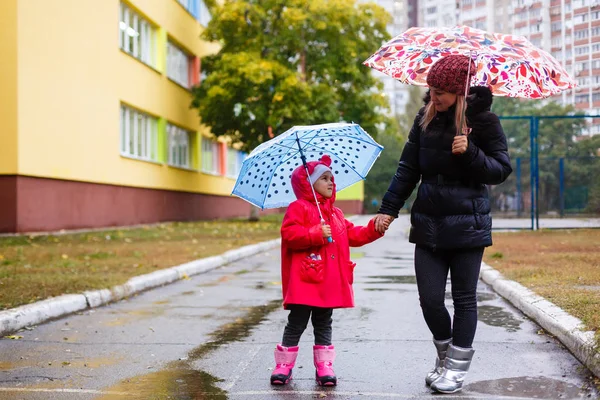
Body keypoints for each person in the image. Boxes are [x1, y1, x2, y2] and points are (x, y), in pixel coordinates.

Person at [373, 55, 513, 394]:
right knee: (430, 300)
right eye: (432, 90)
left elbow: (500, 170)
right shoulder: (425, 119)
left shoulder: (485, 122)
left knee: (464, 299)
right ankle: (444, 356)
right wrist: (388, 209)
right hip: (429, 221)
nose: (434, 97)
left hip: (468, 224)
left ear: (460, 91)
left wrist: (471, 153)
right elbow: (407, 169)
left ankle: (456, 369)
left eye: (442, 92)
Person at [271, 154, 384, 386]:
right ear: (309, 183)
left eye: (332, 178)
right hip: (305, 279)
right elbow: (289, 235)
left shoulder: (336, 214)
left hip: (328, 281)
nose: (331, 182)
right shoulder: (298, 208)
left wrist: (374, 228)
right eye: (324, 178)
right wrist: (314, 233)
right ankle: (284, 365)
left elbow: (354, 234)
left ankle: (324, 366)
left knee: (324, 322)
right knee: (297, 321)